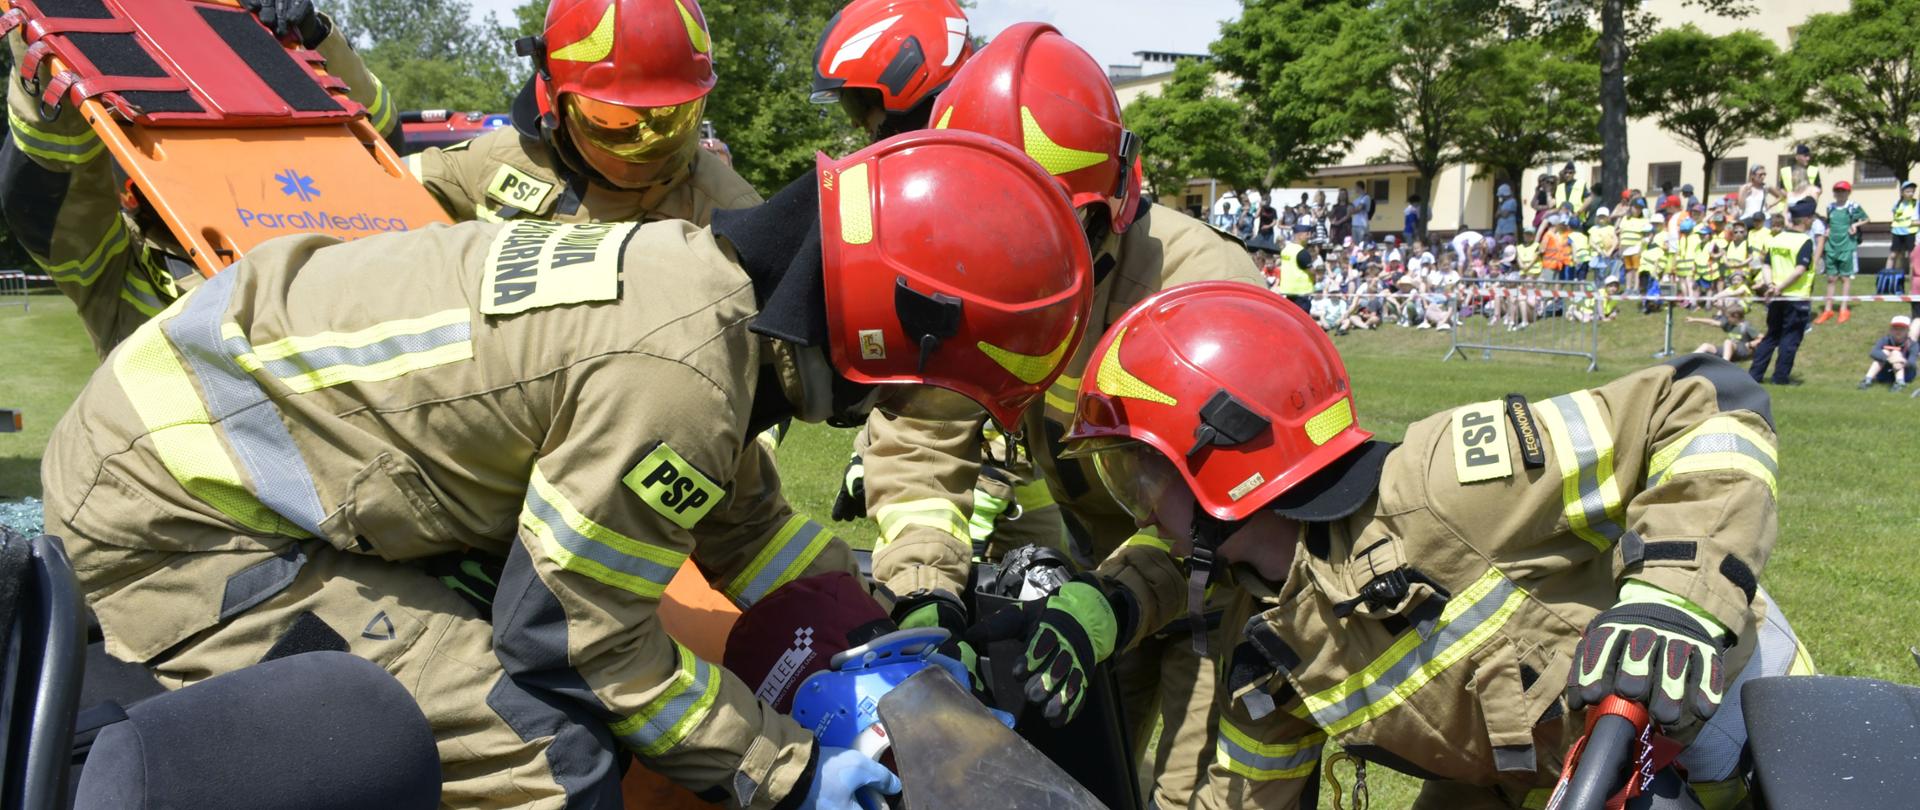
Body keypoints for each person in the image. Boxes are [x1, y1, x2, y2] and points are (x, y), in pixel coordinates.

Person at [42, 129, 1095, 809]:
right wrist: (791, 767)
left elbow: (749, 531)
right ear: (881, 339)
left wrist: (876, 637)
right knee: (549, 758)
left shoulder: (702, 295)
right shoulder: (680, 372)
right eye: (938, 389)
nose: (919, 416)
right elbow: (575, 642)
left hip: (218, 461)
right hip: (181, 520)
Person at [970, 282, 1807, 809]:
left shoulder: (1448, 483)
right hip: (1541, 778)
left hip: (1737, 717)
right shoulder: (1269, 652)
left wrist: (1673, 604)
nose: (1138, 508)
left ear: (1222, 462)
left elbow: (1703, 399)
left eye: (1138, 474)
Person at [855, 25, 1263, 810]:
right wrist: (924, 591)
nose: (1013, 260)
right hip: (1102, 581)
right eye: (991, 228)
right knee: (1077, 786)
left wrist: (1111, 603)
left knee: (1198, 796)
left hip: (1230, 591)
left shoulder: (1199, 290)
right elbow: (921, 442)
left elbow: (1227, 510)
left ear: (1111, 210)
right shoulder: (969, 270)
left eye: (1041, 233)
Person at [0, 0, 393, 358]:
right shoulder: (118, 273)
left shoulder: (325, 223)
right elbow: (46, 192)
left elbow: (386, 147)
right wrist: (42, 37)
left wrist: (315, 39)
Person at [407, 0, 760, 228]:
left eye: (669, 118)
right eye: (615, 120)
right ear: (553, 96)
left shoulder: (731, 213)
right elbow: (375, 198)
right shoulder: (492, 163)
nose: (647, 141)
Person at [811, 0, 973, 137]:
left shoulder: (976, 134)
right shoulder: (954, 141)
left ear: (903, 73)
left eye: (854, 106)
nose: (855, 124)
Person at [1750, 203, 1819, 385]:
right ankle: (1780, 378)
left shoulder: (1776, 238)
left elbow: (1766, 265)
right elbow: (1799, 270)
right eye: (1811, 218)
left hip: (1776, 297)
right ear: (1805, 219)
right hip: (1796, 297)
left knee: (1771, 336)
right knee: (1790, 339)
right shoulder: (1804, 241)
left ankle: (1754, 375)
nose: (1812, 221)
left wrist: (1771, 285)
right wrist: (1780, 287)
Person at [1814, 180, 1869, 325]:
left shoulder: (1853, 206)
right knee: (1831, 278)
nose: (1840, 194)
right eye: (1837, 191)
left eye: (1843, 191)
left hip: (1847, 245)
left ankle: (1844, 308)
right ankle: (1828, 309)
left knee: (1845, 278)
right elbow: (1830, 223)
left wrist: (1855, 224)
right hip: (1831, 245)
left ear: (1848, 193)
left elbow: (1866, 218)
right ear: (1834, 193)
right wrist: (1828, 230)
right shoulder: (1830, 207)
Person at [1859, 316, 1917, 392]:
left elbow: (1912, 363)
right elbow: (1873, 353)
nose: (1898, 331)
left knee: (1896, 354)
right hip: (1885, 373)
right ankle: (1867, 380)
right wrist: (1889, 358)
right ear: (1891, 330)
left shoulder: (1912, 344)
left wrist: (1901, 361)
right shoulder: (1885, 340)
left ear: (1907, 331)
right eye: (1895, 328)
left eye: (1902, 329)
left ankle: (1900, 383)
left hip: (1906, 374)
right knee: (1885, 352)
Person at [1690, 304, 1760, 362]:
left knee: (1728, 342)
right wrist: (1694, 319)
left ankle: (1724, 365)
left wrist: (1750, 344)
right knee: (1706, 346)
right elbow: (1712, 322)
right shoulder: (1729, 325)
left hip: (1744, 351)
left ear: (1736, 316)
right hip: (1732, 350)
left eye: (1728, 317)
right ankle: (1687, 360)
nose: (1726, 319)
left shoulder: (1746, 327)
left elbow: (1762, 338)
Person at [1772, 144, 1823, 214]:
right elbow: (1781, 189)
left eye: (1809, 156)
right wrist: (1792, 196)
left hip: (1805, 208)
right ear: (1797, 157)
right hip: (1786, 208)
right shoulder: (1785, 171)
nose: (1808, 158)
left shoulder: (1814, 170)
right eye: (1805, 156)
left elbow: (1819, 189)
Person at [1890, 181, 1917, 293]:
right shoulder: (1897, 204)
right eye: (1908, 191)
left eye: (1912, 191)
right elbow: (1896, 217)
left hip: (1911, 233)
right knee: (1893, 256)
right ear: (1902, 192)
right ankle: (1891, 283)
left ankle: (1913, 287)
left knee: (1912, 258)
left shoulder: (1916, 203)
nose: (1911, 193)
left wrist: (1912, 223)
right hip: (1897, 232)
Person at [1553, 161, 1593, 225]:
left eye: (1570, 172)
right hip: (1561, 217)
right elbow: (1554, 203)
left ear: (1574, 173)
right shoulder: (1559, 187)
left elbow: (1588, 199)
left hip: (1576, 217)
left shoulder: (1580, 184)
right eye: (1565, 172)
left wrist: (1578, 212)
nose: (1567, 174)